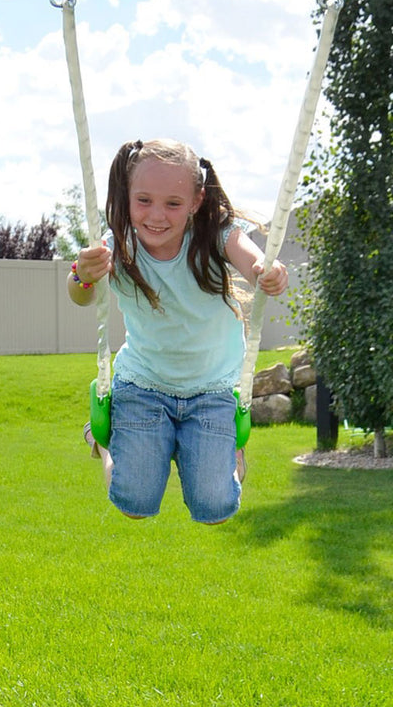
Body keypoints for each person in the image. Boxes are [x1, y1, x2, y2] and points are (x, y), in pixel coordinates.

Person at [68, 138, 289, 524]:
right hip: (143, 386)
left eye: (173, 203)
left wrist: (264, 271)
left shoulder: (215, 235)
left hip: (212, 390)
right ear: (128, 196)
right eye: (144, 201)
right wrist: (81, 275)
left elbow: (251, 259)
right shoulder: (116, 247)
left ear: (196, 201)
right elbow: (80, 298)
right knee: (132, 504)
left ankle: (228, 455)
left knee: (215, 510)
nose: (157, 215)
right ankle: (103, 440)